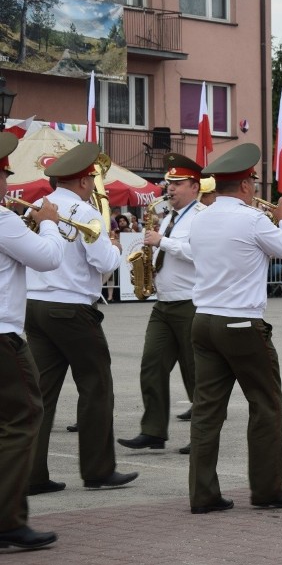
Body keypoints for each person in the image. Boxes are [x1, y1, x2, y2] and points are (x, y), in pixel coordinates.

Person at [187, 143, 282, 513]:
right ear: (243, 185)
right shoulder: (252, 218)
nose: (255, 189)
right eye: (253, 182)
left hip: (203, 320)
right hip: (240, 321)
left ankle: (203, 494)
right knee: (266, 404)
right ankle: (267, 489)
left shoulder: (200, 217)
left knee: (207, 411)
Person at [25, 142, 139, 495]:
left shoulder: (41, 207)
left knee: (41, 394)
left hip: (35, 305)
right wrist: (117, 248)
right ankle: (98, 470)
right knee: (96, 386)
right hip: (72, 308)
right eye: (92, 177)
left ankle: (31, 474)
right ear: (84, 181)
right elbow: (105, 263)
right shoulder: (85, 212)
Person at [118, 154, 206, 456]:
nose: (170, 189)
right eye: (169, 184)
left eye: (177, 184)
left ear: (194, 186)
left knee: (196, 373)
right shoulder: (168, 217)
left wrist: (162, 243)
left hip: (191, 303)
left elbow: (200, 254)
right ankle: (153, 431)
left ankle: (202, 436)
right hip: (164, 304)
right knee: (151, 365)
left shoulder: (202, 217)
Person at [0, 133, 62, 550]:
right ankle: (8, 522)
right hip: (3, 336)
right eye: (5, 175)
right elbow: (48, 258)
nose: (8, 184)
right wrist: (50, 222)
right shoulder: (2, 219)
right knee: (23, 419)